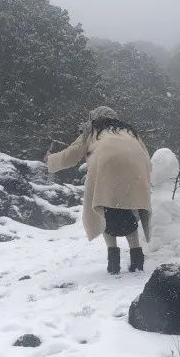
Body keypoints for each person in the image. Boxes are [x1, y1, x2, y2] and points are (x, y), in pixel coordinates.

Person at [45, 106, 152, 274]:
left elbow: (72, 155)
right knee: (126, 211)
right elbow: (145, 155)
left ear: (94, 118)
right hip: (135, 169)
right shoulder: (130, 131)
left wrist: (51, 161)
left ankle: (113, 262)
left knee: (103, 211)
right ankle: (137, 259)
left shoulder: (93, 130)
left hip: (106, 168)